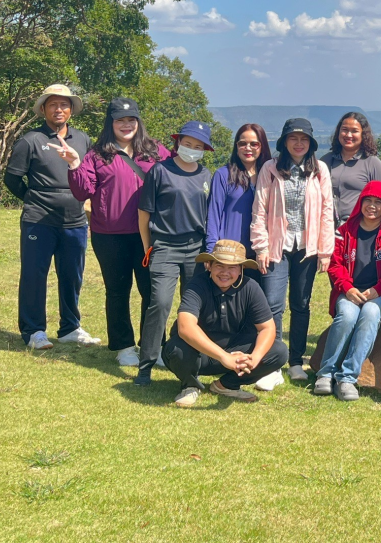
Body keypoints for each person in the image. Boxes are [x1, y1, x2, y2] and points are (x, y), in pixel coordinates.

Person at [64, 97, 168, 366]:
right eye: (120, 120)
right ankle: (124, 346)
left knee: (153, 292)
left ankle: (152, 346)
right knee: (118, 291)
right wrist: (75, 164)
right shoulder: (97, 155)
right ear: (111, 123)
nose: (126, 125)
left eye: (131, 119)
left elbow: (175, 180)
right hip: (110, 235)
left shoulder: (156, 151)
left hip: (150, 234)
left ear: (138, 122)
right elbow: (82, 191)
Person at [5, 83, 100, 350]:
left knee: (72, 275)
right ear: (44, 109)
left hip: (75, 221)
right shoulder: (30, 140)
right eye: (53, 104)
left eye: (64, 105)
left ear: (71, 110)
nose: (59, 109)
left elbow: (89, 177)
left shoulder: (83, 140)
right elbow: (12, 179)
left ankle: (70, 327)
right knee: (35, 275)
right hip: (39, 220)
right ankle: (34, 331)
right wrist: (33, 199)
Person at [250, 118, 334, 388]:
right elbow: (260, 209)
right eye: (293, 138)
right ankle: (273, 360)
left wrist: (325, 250)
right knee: (273, 304)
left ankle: (296, 361)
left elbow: (326, 212)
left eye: (304, 139)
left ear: (310, 143)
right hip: (277, 246)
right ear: (284, 142)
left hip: (307, 248)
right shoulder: (270, 168)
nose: (299, 144)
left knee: (301, 304)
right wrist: (260, 245)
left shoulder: (319, 170)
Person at [134, 120, 215, 385]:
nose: (191, 149)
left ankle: (185, 361)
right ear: (178, 143)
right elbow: (144, 213)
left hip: (196, 248)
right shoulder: (160, 171)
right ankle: (146, 364)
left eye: (197, 146)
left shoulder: (206, 176)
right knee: (160, 303)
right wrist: (148, 246)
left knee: (193, 308)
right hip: (165, 247)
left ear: (204, 150)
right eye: (187, 144)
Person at [161, 239, 288, 407]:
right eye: (219, 265)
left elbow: (267, 328)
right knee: (176, 349)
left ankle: (226, 385)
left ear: (241, 269)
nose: (225, 272)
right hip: (200, 355)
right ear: (209, 266)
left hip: (237, 354)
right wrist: (223, 356)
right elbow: (185, 327)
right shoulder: (196, 286)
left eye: (232, 267)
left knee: (279, 351)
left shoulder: (251, 287)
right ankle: (190, 385)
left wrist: (255, 358)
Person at [317, 180, 381, 400]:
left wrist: (378, 289)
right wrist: (347, 288)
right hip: (350, 290)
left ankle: (347, 378)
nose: (372, 206)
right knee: (347, 315)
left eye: (378, 202)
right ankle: (325, 374)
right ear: (360, 202)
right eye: (368, 200)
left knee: (371, 313)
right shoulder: (344, 231)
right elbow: (335, 265)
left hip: (380, 293)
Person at [206, 123, 272, 254]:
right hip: (230, 253)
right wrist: (210, 249)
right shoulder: (224, 175)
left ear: (262, 146)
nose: (248, 148)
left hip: (264, 252)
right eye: (242, 143)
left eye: (254, 144)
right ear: (236, 146)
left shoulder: (271, 175)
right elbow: (213, 214)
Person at [325, 112, 381, 225]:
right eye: (345, 129)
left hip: (359, 229)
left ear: (363, 134)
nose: (348, 135)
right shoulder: (325, 161)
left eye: (355, 131)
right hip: (328, 229)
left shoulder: (373, 164)